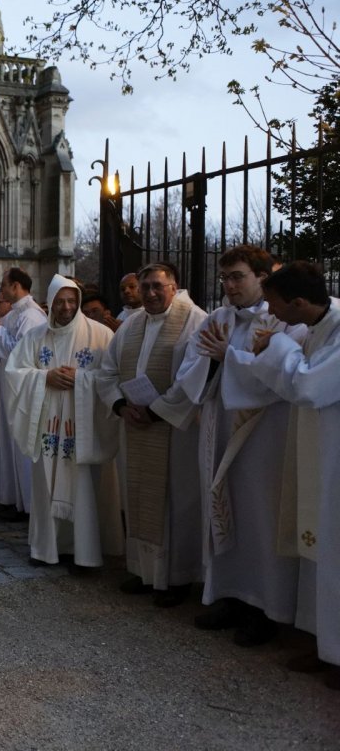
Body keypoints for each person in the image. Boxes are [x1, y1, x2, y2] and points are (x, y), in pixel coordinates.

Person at [175, 245, 301, 646]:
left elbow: (281, 380)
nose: (229, 286)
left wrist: (227, 357)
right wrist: (215, 361)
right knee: (224, 510)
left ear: (263, 277)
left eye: (238, 277)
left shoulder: (284, 322)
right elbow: (189, 373)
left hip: (263, 438)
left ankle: (267, 607)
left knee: (260, 517)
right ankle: (227, 595)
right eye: (225, 278)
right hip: (219, 429)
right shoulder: (216, 319)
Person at [223, 261, 340, 687]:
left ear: (298, 303)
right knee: (318, 553)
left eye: (273, 303)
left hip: (335, 460)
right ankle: (324, 644)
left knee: (335, 553)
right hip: (316, 454)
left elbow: (308, 387)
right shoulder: (316, 327)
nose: (269, 311)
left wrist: (276, 348)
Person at [96, 262, 207, 607]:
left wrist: (157, 411)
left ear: (175, 286)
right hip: (137, 424)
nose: (151, 293)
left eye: (158, 286)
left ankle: (176, 578)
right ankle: (144, 572)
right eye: (145, 287)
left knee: (176, 503)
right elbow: (107, 371)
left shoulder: (195, 321)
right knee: (139, 496)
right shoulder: (131, 325)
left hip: (176, 431)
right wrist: (120, 407)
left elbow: (195, 376)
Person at [3, 274, 123, 570]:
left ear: (78, 302)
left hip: (84, 424)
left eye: (71, 301)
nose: (66, 306)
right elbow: (14, 373)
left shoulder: (100, 334)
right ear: (52, 302)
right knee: (45, 481)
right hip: (47, 421)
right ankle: (47, 549)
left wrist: (81, 379)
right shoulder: (35, 336)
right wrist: (45, 377)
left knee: (84, 484)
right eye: (60, 301)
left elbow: (112, 378)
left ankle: (84, 553)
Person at [0, 268, 48, 518]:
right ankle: (11, 498)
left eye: (4, 285)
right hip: (9, 386)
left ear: (17, 286)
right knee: (8, 442)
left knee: (21, 444)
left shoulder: (31, 316)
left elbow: (23, 352)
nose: (1, 289)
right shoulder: (16, 314)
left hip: (22, 389)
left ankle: (28, 505)